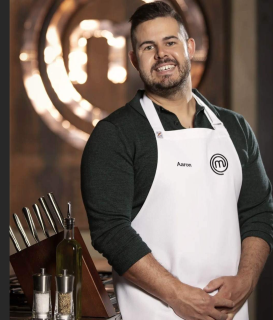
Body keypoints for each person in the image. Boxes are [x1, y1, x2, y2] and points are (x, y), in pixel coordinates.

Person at [81, 2, 272, 320]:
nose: (161, 54)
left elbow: (258, 212)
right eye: (147, 46)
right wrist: (178, 296)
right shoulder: (114, 134)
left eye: (170, 42)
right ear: (133, 59)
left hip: (231, 313)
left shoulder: (235, 128)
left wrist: (246, 280)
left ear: (189, 47)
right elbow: (110, 231)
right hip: (155, 313)